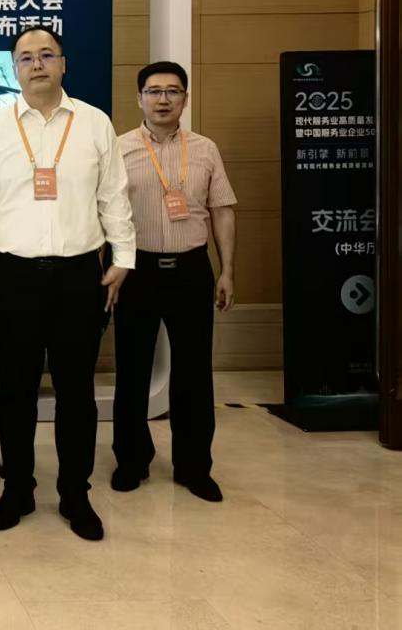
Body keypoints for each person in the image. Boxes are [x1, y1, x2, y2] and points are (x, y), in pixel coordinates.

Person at [0, 26, 135, 542]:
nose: (36, 64)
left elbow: (113, 196)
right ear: (14, 68)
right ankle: (17, 489)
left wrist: (123, 257)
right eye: (26, 57)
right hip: (12, 276)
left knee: (76, 392)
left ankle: (74, 493)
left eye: (46, 55)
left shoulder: (94, 122)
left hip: (80, 275)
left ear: (64, 63)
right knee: (14, 390)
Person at [112, 61, 237, 503]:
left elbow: (222, 209)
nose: (163, 99)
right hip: (136, 271)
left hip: (191, 270)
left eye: (172, 91)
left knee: (194, 372)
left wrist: (227, 270)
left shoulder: (205, 149)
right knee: (131, 370)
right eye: (154, 91)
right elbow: (104, 212)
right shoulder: (118, 149)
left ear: (185, 98)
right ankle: (131, 460)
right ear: (139, 99)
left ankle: (194, 466)